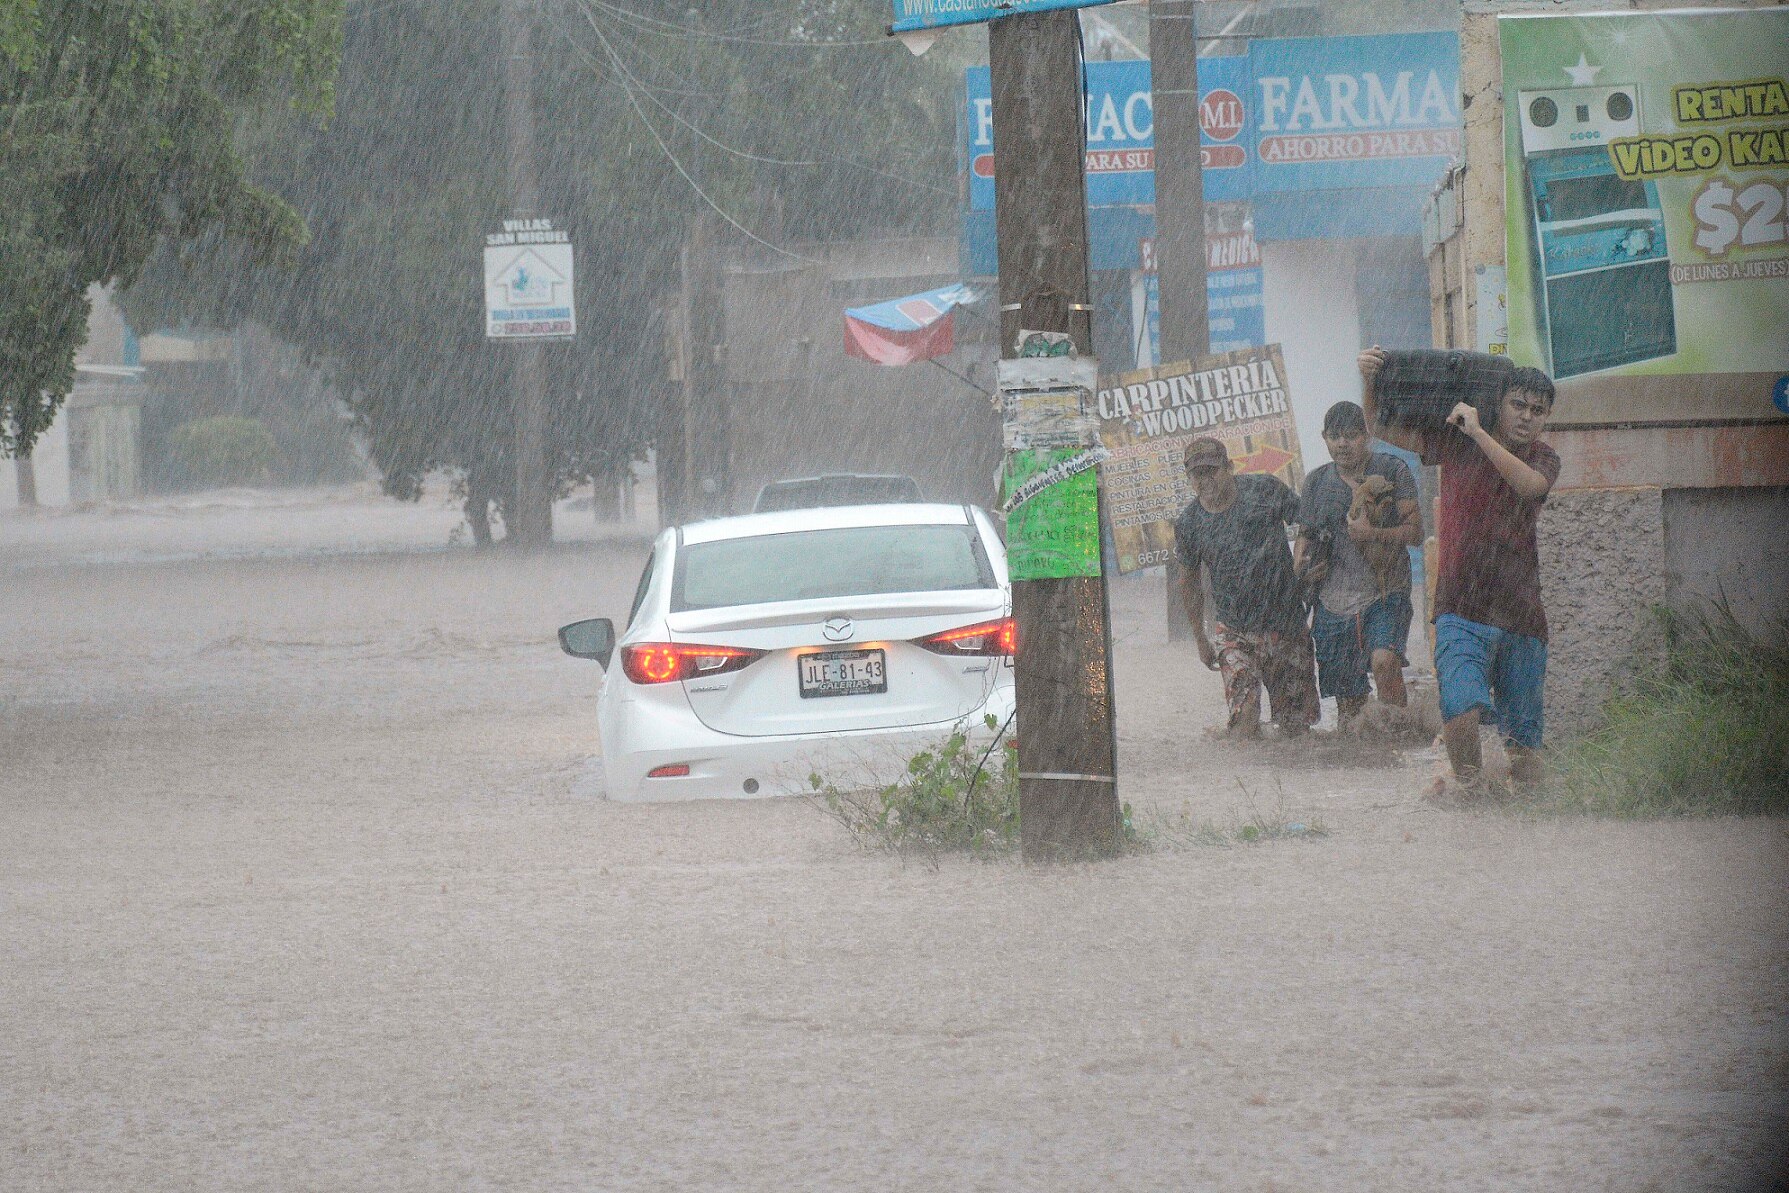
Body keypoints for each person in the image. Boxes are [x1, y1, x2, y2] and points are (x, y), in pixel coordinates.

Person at [1358, 348, 1561, 787]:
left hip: (1521, 616)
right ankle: (1469, 796)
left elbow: (1529, 485)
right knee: (1461, 714)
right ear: (1499, 402)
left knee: (1524, 750)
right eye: (1517, 405)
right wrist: (1369, 381)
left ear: (1546, 419)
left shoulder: (1543, 458)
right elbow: (1379, 427)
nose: (1526, 417)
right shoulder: (1454, 443)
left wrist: (1481, 434)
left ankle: (1527, 819)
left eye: (1537, 411)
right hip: (1460, 610)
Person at [1174, 437, 1319, 739]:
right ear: (1189, 478)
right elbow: (1188, 583)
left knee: (1297, 731)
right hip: (1235, 633)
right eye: (1197, 474)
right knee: (1244, 724)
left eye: (1212, 471)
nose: (1206, 480)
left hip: (1287, 626)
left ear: (1229, 467)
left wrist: (1303, 561)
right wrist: (1201, 639)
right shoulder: (1189, 523)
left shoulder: (1265, 490)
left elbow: (1308, 521)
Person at [1294, 401, 1423, 724]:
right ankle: (1364, 759)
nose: (1342, 444)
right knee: (1350, 709)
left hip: (1384, 592)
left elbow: (1417, 533)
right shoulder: (1316, 483)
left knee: (1384, 662)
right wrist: (1299, 572)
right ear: (1324, 438)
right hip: (1333, 602)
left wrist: (1373, 534)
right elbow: (1305, 536)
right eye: (1335, 436)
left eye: (1351, 436)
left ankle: (1401, 737)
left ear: (1366, 436)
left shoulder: (1392, 471)